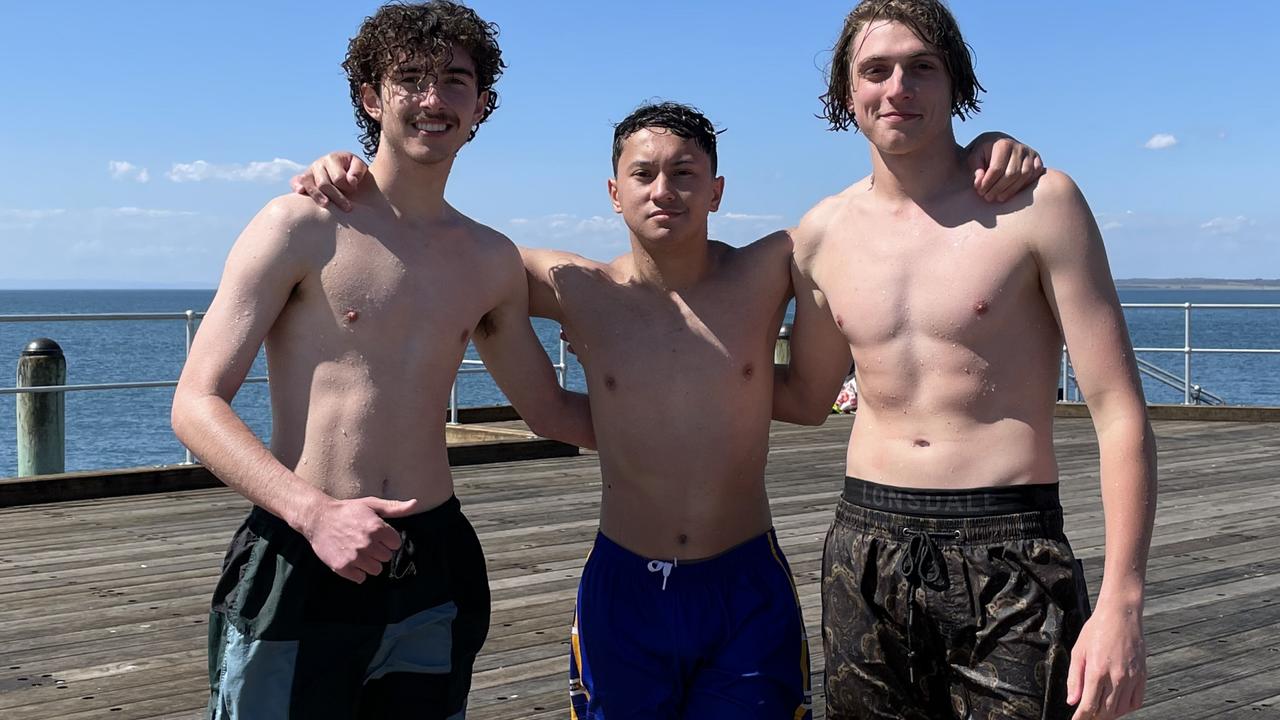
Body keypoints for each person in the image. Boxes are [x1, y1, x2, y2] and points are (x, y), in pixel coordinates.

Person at [291, 97, 1042, 716]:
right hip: (625, 586)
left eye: (686, 173)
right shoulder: (574, 286)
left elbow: (879, 217)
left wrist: (982, 147)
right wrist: (355, 180)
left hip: (745, 579)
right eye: (643, 174)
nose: (664, 190)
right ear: (613, 192)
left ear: (718, 191)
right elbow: (441, 248)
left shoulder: (768, 269)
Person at [170, 3, 593, 717]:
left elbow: (548, 409)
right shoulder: (300, 225)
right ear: (371, 97)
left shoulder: (490, 259)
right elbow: (194, 402)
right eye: (411, 79)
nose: (434, 99)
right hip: (302, 549)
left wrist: (693, 420)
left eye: (455, 80)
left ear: (481, 104)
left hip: (433, 557)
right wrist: (313, 514)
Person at [773, 2, 1157, 718]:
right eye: (876, 70)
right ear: (845, 92)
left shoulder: (1038, 204)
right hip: (865, 549)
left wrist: (1122, 604)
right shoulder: (822, 234)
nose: (899, 88)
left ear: (956, 84)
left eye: (923, 67)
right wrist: (664, 363)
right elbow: (806, 396)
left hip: (1009, 545)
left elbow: (1118, 410)